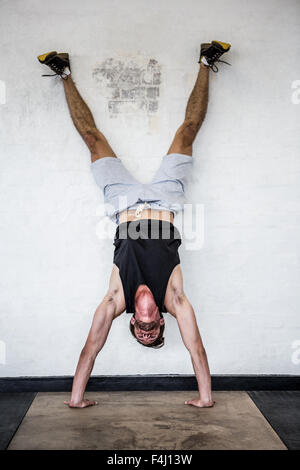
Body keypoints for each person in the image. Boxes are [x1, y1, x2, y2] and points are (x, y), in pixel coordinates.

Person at [37, 41, 231, 409]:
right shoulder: (175, 301)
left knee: (92, 140)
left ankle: (63, 72)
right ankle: (206, 61)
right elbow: (197, 350)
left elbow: (90, 348)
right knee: (188, 131)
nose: (145, 327)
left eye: (140, 331)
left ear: (130, 323)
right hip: (164, 201)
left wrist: (76, 399)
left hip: (123, 204)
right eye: (152, 330)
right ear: (160, 322)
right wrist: (206, 399)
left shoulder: (116, 300)